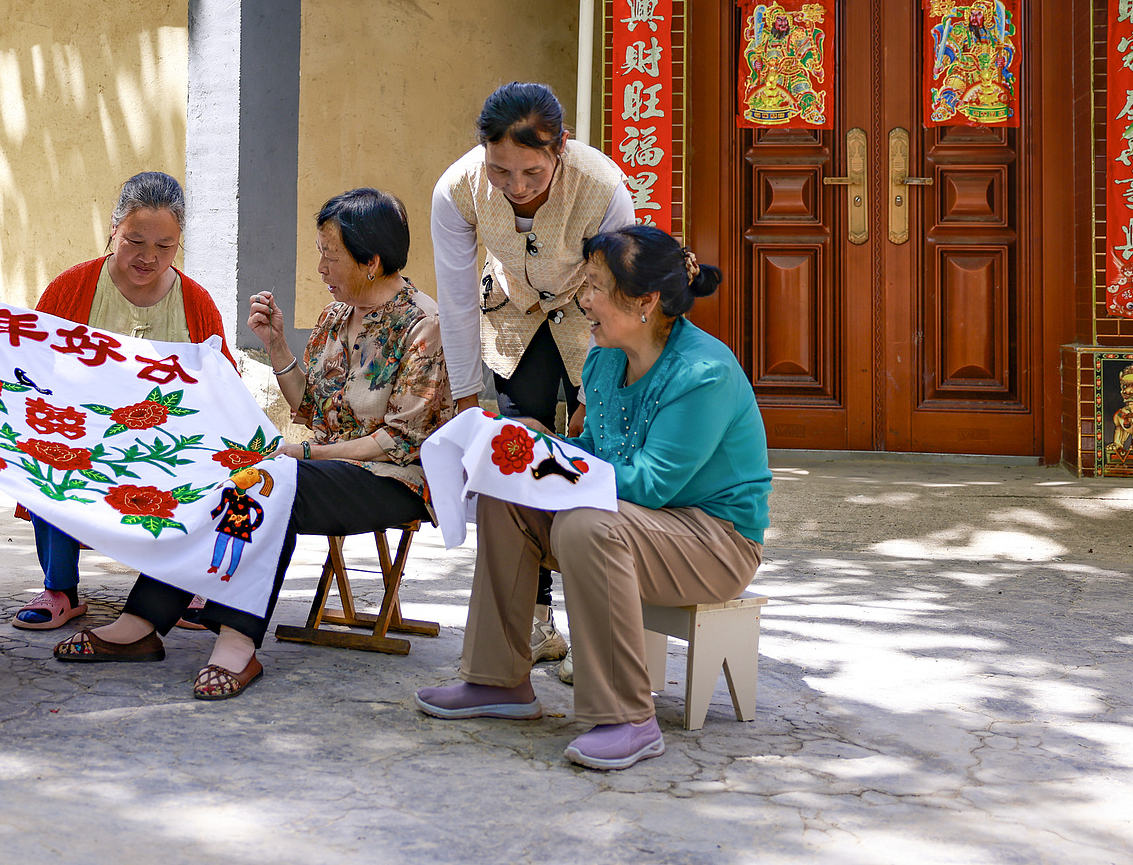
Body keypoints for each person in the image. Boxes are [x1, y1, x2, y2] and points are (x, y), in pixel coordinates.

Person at [54, 188, 454, 701]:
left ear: (371, 261)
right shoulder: (338, 315)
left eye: (330, 256)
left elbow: (401, 440)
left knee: (276, 484)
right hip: (327, 471)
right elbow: (311, 408)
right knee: (223, 476)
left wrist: (305, 455)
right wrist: (277, 345)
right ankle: (141, 623)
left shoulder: (425, 326)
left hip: (395, 481)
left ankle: (237, 641)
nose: (320, 269)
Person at [415, 225, 770, 771]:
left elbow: (654, 483)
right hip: (632, 523)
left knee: (585, 523)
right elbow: (596, 450)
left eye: (597, 286)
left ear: (646, 301)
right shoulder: (604, 359)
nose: (584, 299)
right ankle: (498, 682)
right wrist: (538, 444)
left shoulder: (704, 372)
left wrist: (560, 460)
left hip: (712, 540)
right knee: (505, 493)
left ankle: (628, 718)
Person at [432, 81, 632, 664]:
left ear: (560, 150)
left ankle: (595, 628)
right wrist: (467, 392)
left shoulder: (603, 188)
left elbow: (616, 293)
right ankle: (536, 620)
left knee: (596, 463)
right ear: (483, 154)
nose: (515, 188)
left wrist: (603, 388)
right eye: (500, 172)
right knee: (521, 466)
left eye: (531, 174)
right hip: (514, 320)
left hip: (588, 315)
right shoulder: (456, 190)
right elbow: (458, 293)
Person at [10, 172, 234, 631]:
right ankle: (60, 588)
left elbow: (222, 383)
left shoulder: (195, 302)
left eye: (165, 246)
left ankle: (181, 585)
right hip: (82, 434)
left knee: (217, 464)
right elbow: (31, 366)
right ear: (113, 231)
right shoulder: (71, 288)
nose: (148, 258)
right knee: (45, 449)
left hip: (168, 438)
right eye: (135, 241)